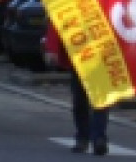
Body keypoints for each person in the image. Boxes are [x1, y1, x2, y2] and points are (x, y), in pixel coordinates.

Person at [43, 23, 110, 155]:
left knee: (101, 98)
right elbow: (57, 21)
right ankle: (83, 137)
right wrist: (52, 49)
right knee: (80, 100)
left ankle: (99, 138)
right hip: (79, 56)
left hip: (102, 55)